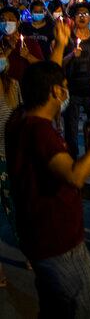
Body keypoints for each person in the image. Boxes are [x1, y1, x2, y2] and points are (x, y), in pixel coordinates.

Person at [6, 61, 90, 317]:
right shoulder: (40, 132)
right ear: (56, 92)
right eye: (65, 87)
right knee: (86, 309)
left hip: (35, 235)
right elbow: (75, 176)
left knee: (54, 308)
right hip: (58, 241)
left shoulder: (18, 117)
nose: (67, 93)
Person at [54, 2, 90, 159]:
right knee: (71, 128)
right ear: (73, 18)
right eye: (79, 14)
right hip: (72, 90)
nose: (82, 17)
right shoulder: (66, 39)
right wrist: (70, 56)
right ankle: (72, 159)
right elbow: (57, 64)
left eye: (85, 14)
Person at [0, 47, 22, 287]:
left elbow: (20, 116)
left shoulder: (14, 85)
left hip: (11, 154)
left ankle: (28, 252)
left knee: (16, 208)